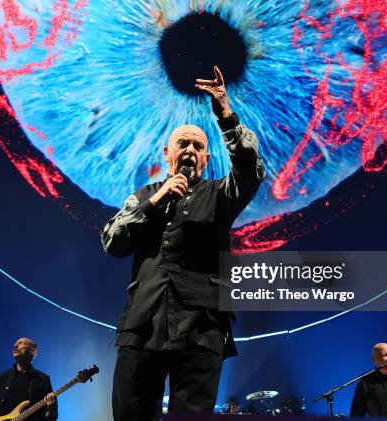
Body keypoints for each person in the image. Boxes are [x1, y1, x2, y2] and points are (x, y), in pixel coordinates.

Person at [101, 65, 265, 420]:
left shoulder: (222, 195)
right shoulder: (144, 195)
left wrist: (224, 112)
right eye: (183, 144)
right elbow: (113, 242)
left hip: (202, 329)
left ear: (207, 158)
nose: (190, 149)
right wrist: (156, 200)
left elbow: (251, 170)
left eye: (198, 146)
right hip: (143, 328)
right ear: (167, 153)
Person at [0, 338, 57, 421]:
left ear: (32, 351)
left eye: (21, 343)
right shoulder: (1, 378)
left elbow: (51, 417)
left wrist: (52, 409)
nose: (15, 346)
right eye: (15, 343)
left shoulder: (43, 380)